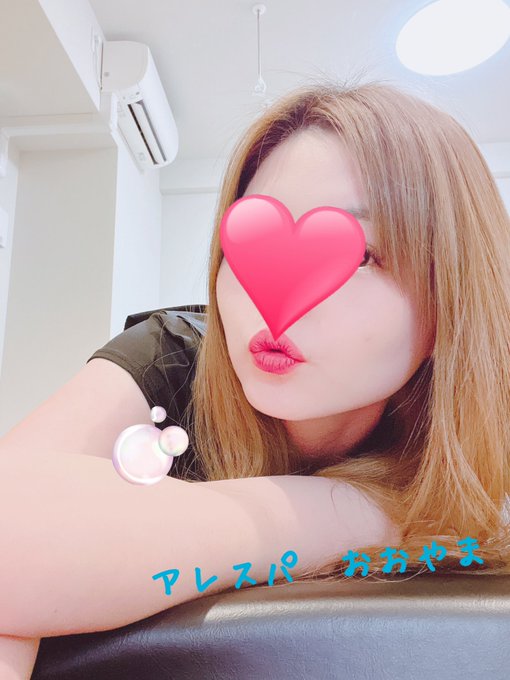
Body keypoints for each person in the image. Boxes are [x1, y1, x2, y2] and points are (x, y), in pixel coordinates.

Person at [1, 77, 510, 677]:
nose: (275, 301)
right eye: (254, 242)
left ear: (452, 301)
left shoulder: (479, 444)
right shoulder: (175, 356)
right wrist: (351, 512)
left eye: (357, 255)